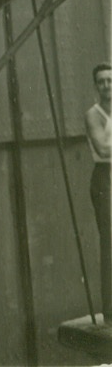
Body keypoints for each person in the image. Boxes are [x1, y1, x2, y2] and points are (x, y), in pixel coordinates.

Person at [86, 63, 112, 323]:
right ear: (96, 86)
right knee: (110, 244)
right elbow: (104, 149)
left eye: (110, 80)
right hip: (105, 179)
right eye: (101, 81)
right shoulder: (93, 115)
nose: (106, 85)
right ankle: (111, 311)